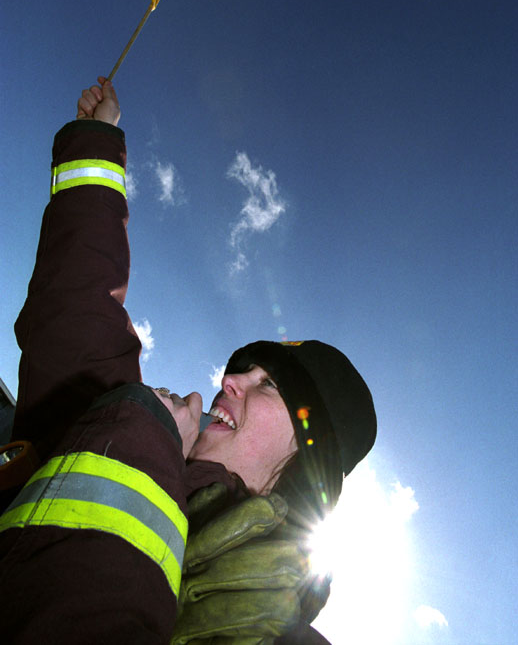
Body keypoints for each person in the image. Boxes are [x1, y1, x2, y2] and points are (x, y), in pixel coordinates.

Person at [0, 78, 377, 644]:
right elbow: (78, 307)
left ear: (304, 463)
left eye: (268, 386)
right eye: (244, 370)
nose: (231, 380)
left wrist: (140, 441)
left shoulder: (274, 633)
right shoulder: (115, 435)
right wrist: (98, 141)